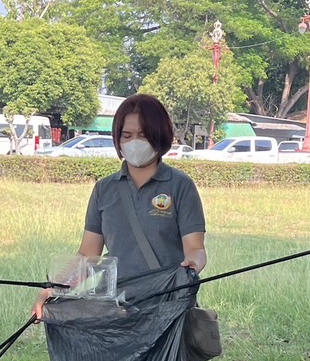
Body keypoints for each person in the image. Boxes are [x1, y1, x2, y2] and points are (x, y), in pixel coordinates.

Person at [36, 94, 206, 313]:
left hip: (168, 307)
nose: (134, 142)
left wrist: (192, 265)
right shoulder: (104, 190)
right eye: (126, 135)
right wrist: (53, 288)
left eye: (143, 135)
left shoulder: (180, 186)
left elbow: (195, 248)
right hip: (119, 308)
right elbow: (88, 255)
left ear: (159, 135)